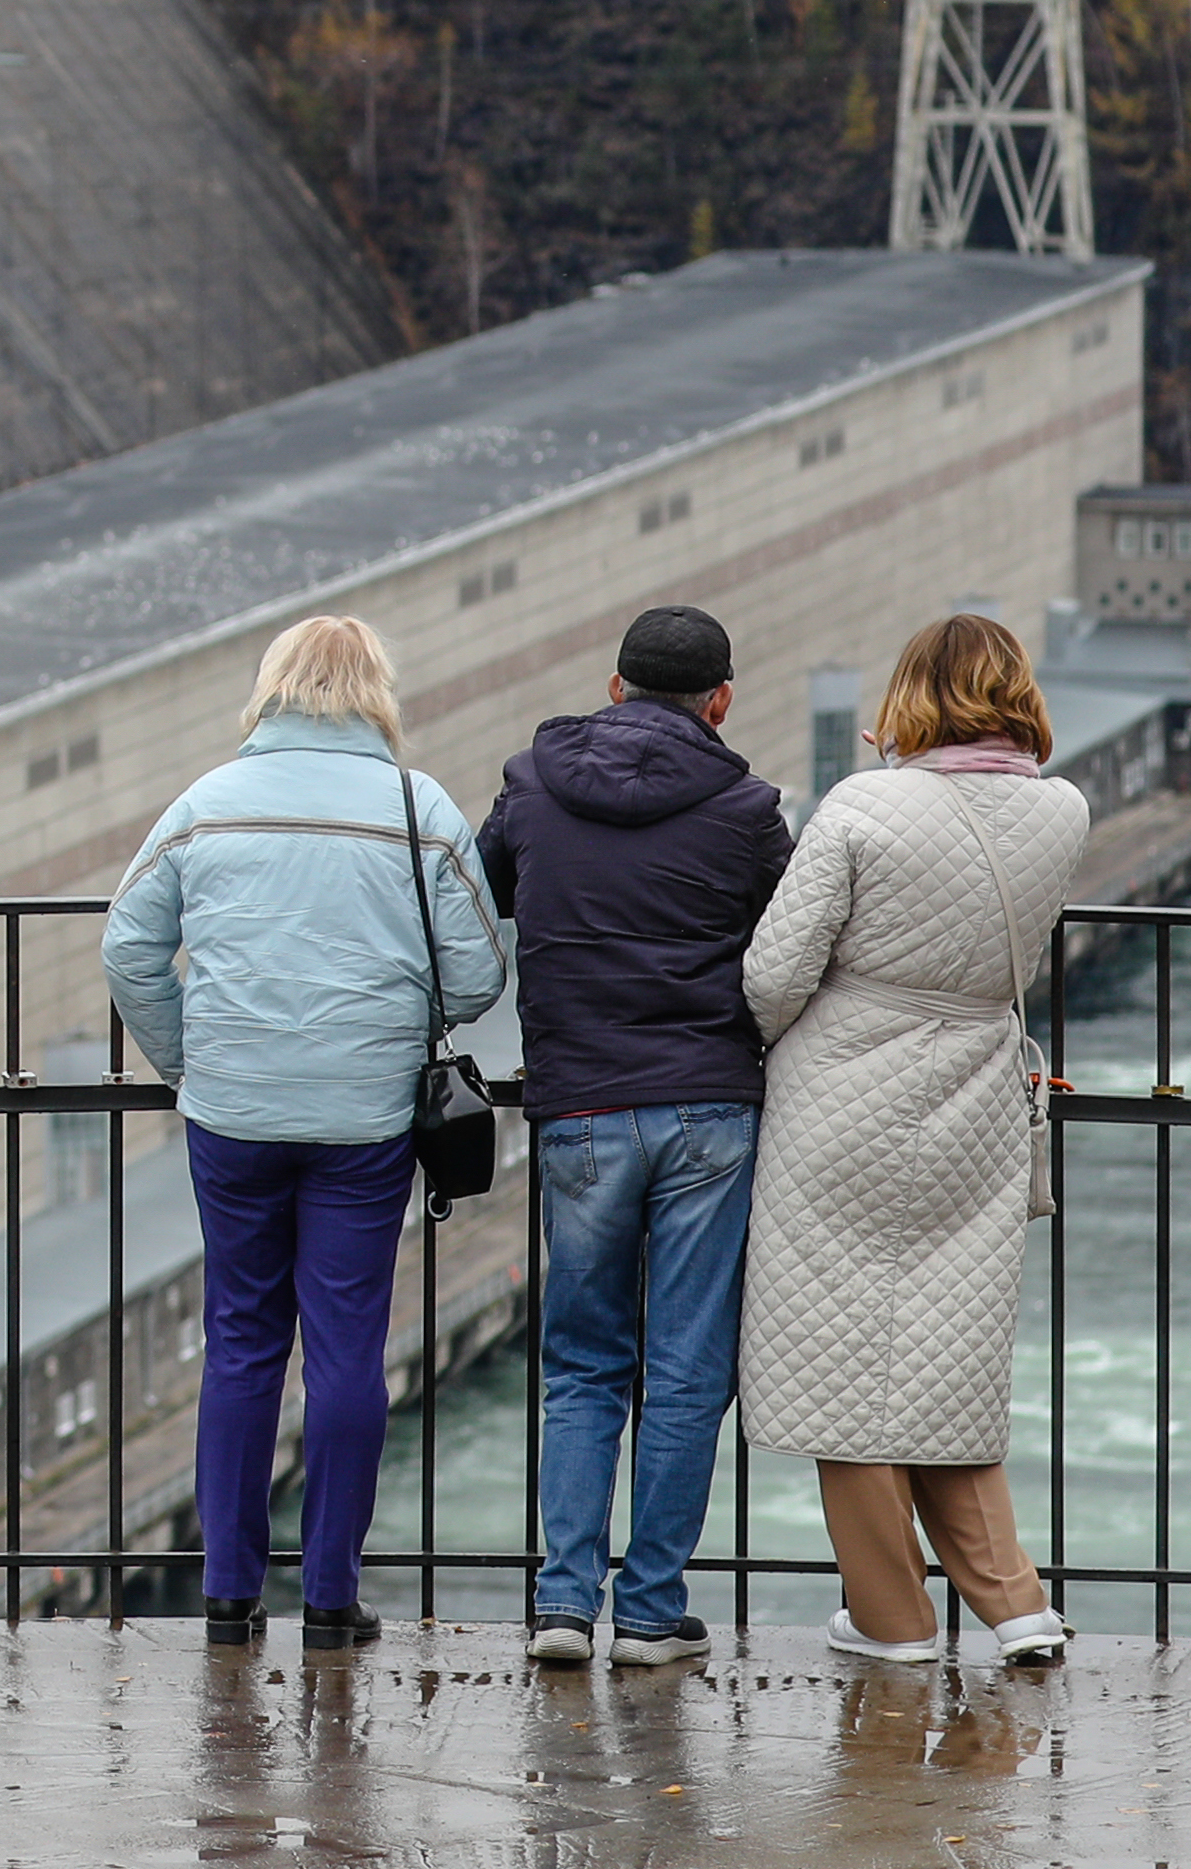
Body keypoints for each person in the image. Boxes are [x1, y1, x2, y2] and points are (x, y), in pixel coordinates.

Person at [100, 614, 508, 1652]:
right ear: (377, 691)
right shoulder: (419, 810)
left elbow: (128, 947)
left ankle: (229, 1593)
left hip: (232, 1113)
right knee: (346, 1350)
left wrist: (188, 1057)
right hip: (363, 1117)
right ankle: (330, 1596)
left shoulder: (207, 803)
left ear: (272, 690)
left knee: (240, 1340)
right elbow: (476, 972)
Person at [739, 612, 1090, 1671]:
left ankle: (892, 1619)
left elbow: (772, 972)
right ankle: (1016, 1601)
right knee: (947, 1358)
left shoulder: (863, 804)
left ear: (911, 693)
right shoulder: (1061, 809)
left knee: (840, 1370)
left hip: (844, 1098)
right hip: (977, 1088)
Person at [480, 602, 794, 1672]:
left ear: (613, 688)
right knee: (688, 1363)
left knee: (580, 1362)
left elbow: (495, 891)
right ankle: (651, 1611)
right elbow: (790, 940)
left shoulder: (532, 782)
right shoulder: (748, 807)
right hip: (710, 1101)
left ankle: (562, 1604)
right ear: (721, 701)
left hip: (578, 1104)